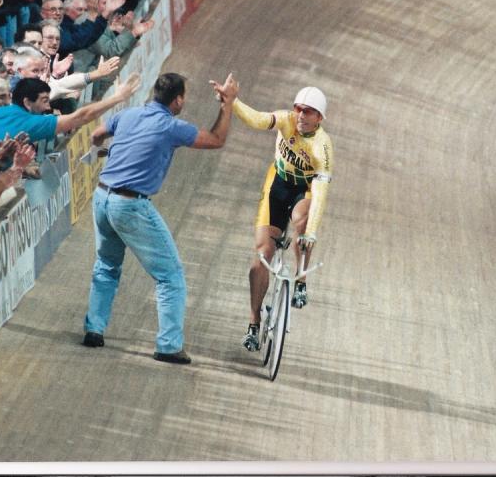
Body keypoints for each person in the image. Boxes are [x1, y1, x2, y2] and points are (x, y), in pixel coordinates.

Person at [82, 72, 240, 365]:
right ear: (177, 100)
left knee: (106, 265)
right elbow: (216, 139)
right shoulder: (171, 127)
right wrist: (227, 103)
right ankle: (168, 345)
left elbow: (96, 135)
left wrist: (102, 152)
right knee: (170, 276)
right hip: (130, 205)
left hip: (102, 197)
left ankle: (94, 329)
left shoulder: (129, 114)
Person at [233, 86, 334, 352]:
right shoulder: (286, 120)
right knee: (262, 255)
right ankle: (253, 323)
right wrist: (233, 101)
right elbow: (258, 119)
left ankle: (301, 280)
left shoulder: (322, 146)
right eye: (298, 109)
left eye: (308, 112)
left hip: (304, 189)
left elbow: (320, 195)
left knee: (302, 221)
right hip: (277, 183)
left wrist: (310, 232)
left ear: (319, 118)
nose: (301, 115)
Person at [0, 73, 139, 150]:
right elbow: (81, 117)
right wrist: (118, 97)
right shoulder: (30, 122)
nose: (48, 107)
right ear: (27, 102)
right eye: (44, 101)